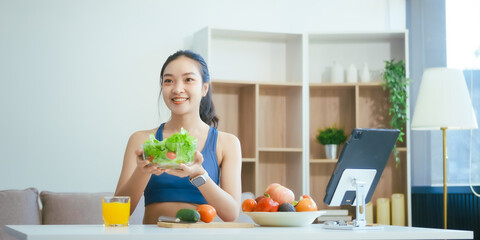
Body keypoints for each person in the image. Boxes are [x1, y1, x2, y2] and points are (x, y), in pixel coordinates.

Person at [114, 50, 242, 224]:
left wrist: (199, 174)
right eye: (168, 81)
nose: (177, 89)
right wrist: (142, 171)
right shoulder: (140, 140)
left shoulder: (228, 143)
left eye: (188, 79)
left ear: (204, 88)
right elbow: (118, 213)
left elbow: (231, 213)